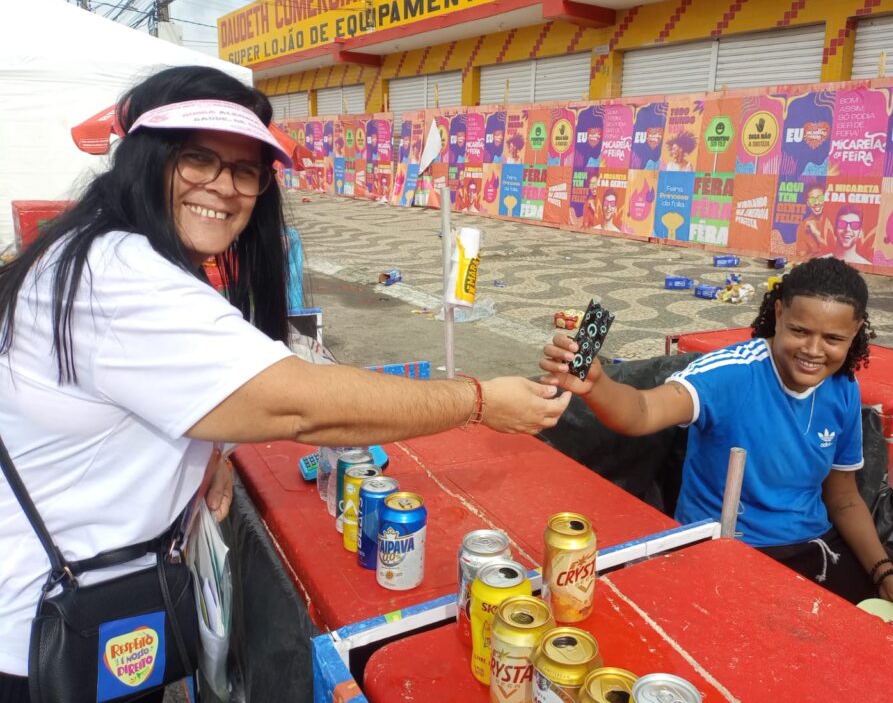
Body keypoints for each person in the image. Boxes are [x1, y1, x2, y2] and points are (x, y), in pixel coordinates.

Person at [0, 66, 570, 700]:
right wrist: (480, 400)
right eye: (197, 160)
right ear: (144, 158)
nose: (224, 188)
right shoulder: (118, 274)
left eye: (246, 171)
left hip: (96, 612)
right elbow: (301, 408)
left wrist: (204, 448)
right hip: (42, 636)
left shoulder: (108, 250)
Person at [540, 258, 893, 691]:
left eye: (833, 338)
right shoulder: (730, 372)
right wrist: (598, 384)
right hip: (732, 562)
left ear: (856, 335)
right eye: (799, 331)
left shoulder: (843, 389)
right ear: (776, 317)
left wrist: (887, 573)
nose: (813, 350)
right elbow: (641, 411)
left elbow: (846, 500)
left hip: (822, 552)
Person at [795, 185, 829, 260]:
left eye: (820, 198)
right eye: (812, 200)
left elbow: (837, 253)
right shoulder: (803, 226)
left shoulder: (835, 221)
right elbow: (801, 256)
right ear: (808, 203)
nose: (816, 203)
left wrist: (816, 233)